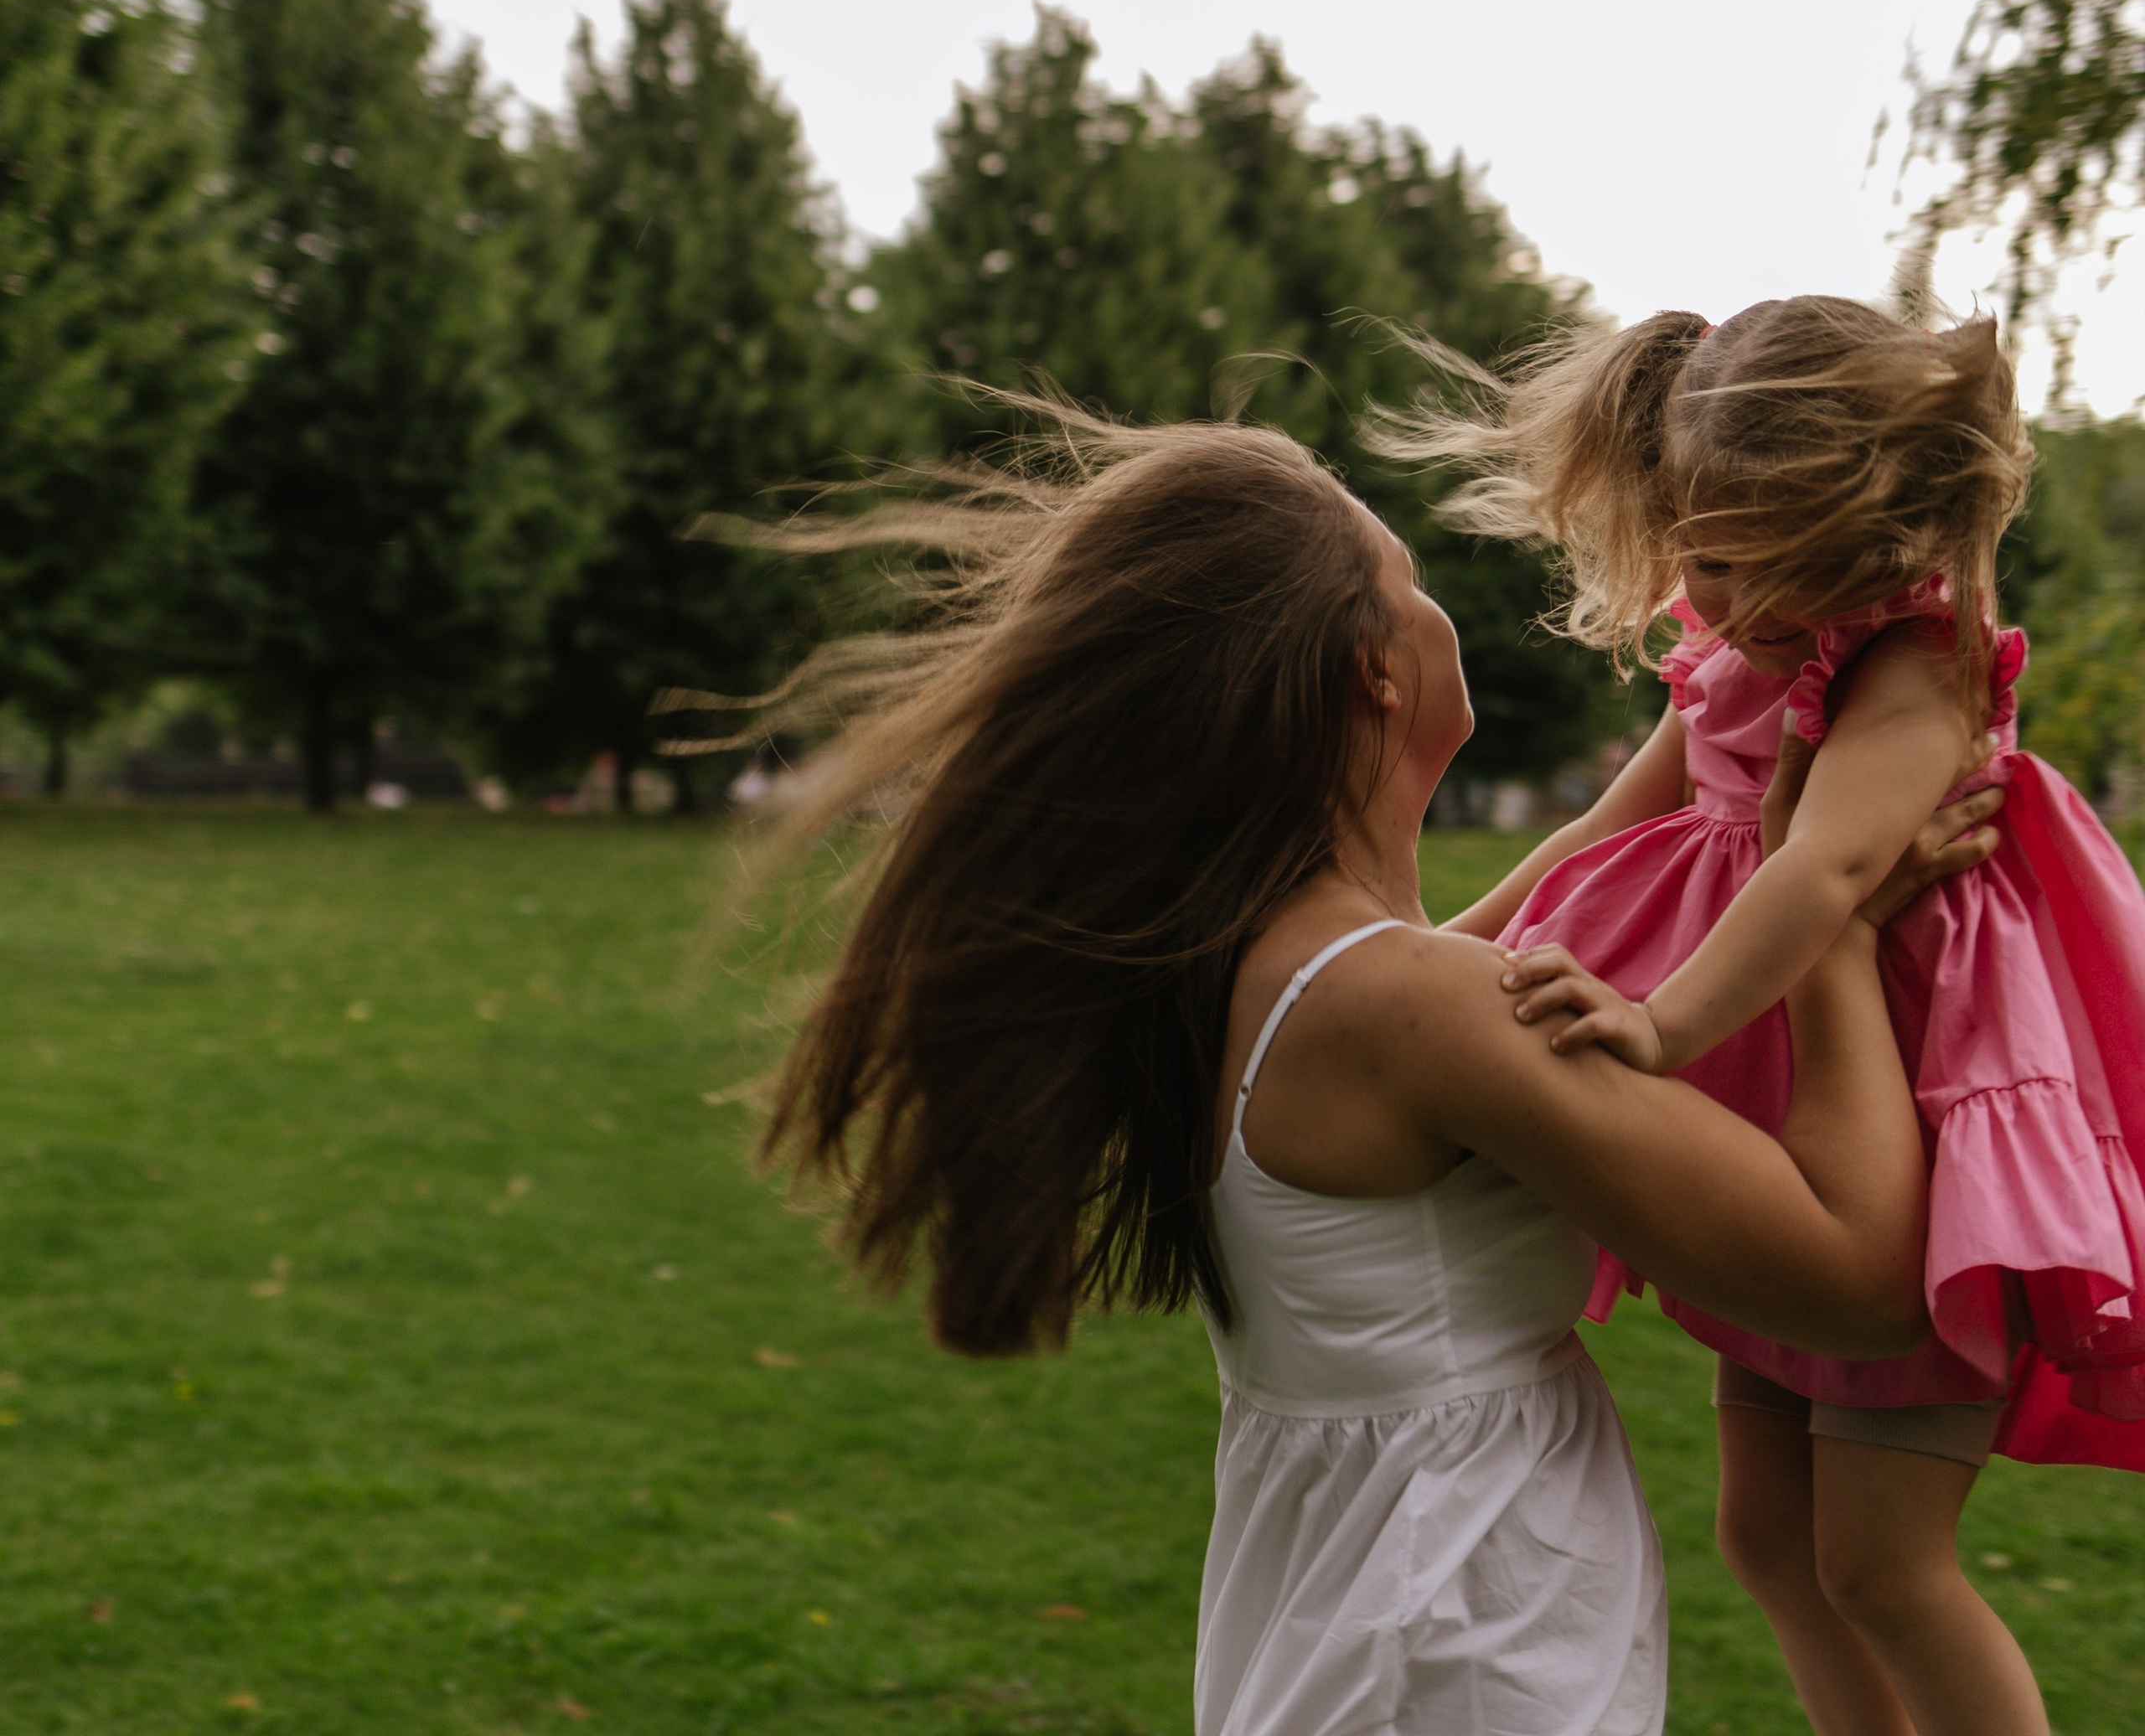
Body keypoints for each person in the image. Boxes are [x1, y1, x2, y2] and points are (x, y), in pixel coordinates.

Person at [690, 407, 1994, 1735]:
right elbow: (1857, 1286)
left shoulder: (1254, 962)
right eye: (1408, 582)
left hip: (1361, 1618)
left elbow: (1528, 899)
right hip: (1456, 1651)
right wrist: (1834, 942)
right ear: (1373, 671)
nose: (1436, 611)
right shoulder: (1410, 1009)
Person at [1391, 295, 2145, 1736]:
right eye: (1705, 555)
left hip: (1912, 1131)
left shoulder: (1912, 669)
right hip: (1782, 1118)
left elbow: (1824, 871)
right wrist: (1432, 953)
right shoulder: (1739, 654)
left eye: (1762, 563)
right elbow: (1603, 830)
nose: (1724, 597)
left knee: (1883, 1565)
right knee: (1768, 1540)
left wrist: (1662, 1029)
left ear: (1870, 533)